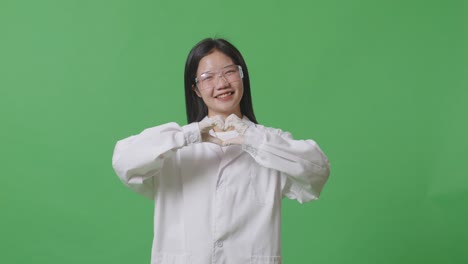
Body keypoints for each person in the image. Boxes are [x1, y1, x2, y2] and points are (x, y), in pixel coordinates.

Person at [112, 38, 331, 264]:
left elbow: (317, 171)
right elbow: (123, 161)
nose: (222, 83)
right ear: (195, 89)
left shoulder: (270, 142)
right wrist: (191, 134)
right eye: (208, 77)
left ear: (242, 76)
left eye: (229, 72)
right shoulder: (175, 149)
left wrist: (251, 138)